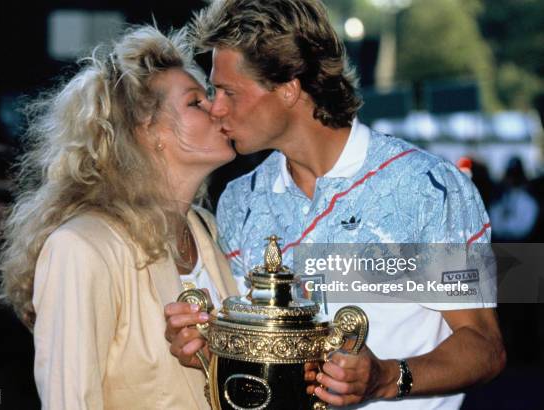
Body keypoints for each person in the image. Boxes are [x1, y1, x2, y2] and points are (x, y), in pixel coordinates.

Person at [164, 1, 506, 408]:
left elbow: (485, 347)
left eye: (229, 92)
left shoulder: (427, 188)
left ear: (289, 86)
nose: (216, 108)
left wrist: (385, 378)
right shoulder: (241, 199)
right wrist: (205, 343)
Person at [0, 25, 238, 409]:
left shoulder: (205, 229)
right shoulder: (81, 247)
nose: (218, 108)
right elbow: (68, 400)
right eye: (196, 102)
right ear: (147, 131)